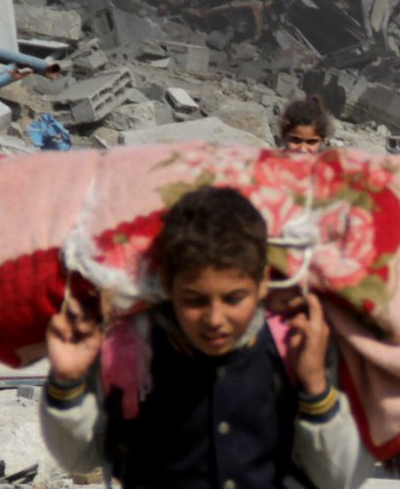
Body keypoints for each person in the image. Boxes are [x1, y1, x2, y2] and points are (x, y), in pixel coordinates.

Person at [39, 187, 370, 489]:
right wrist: (67, 383)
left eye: (234, 298)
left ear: (262, 284)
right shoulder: (133, 352)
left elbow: (339, 479)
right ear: (169, 286)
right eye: (195, 301)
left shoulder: (296, 349)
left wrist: (315, 388)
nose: (215, 320)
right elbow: (79, 460)